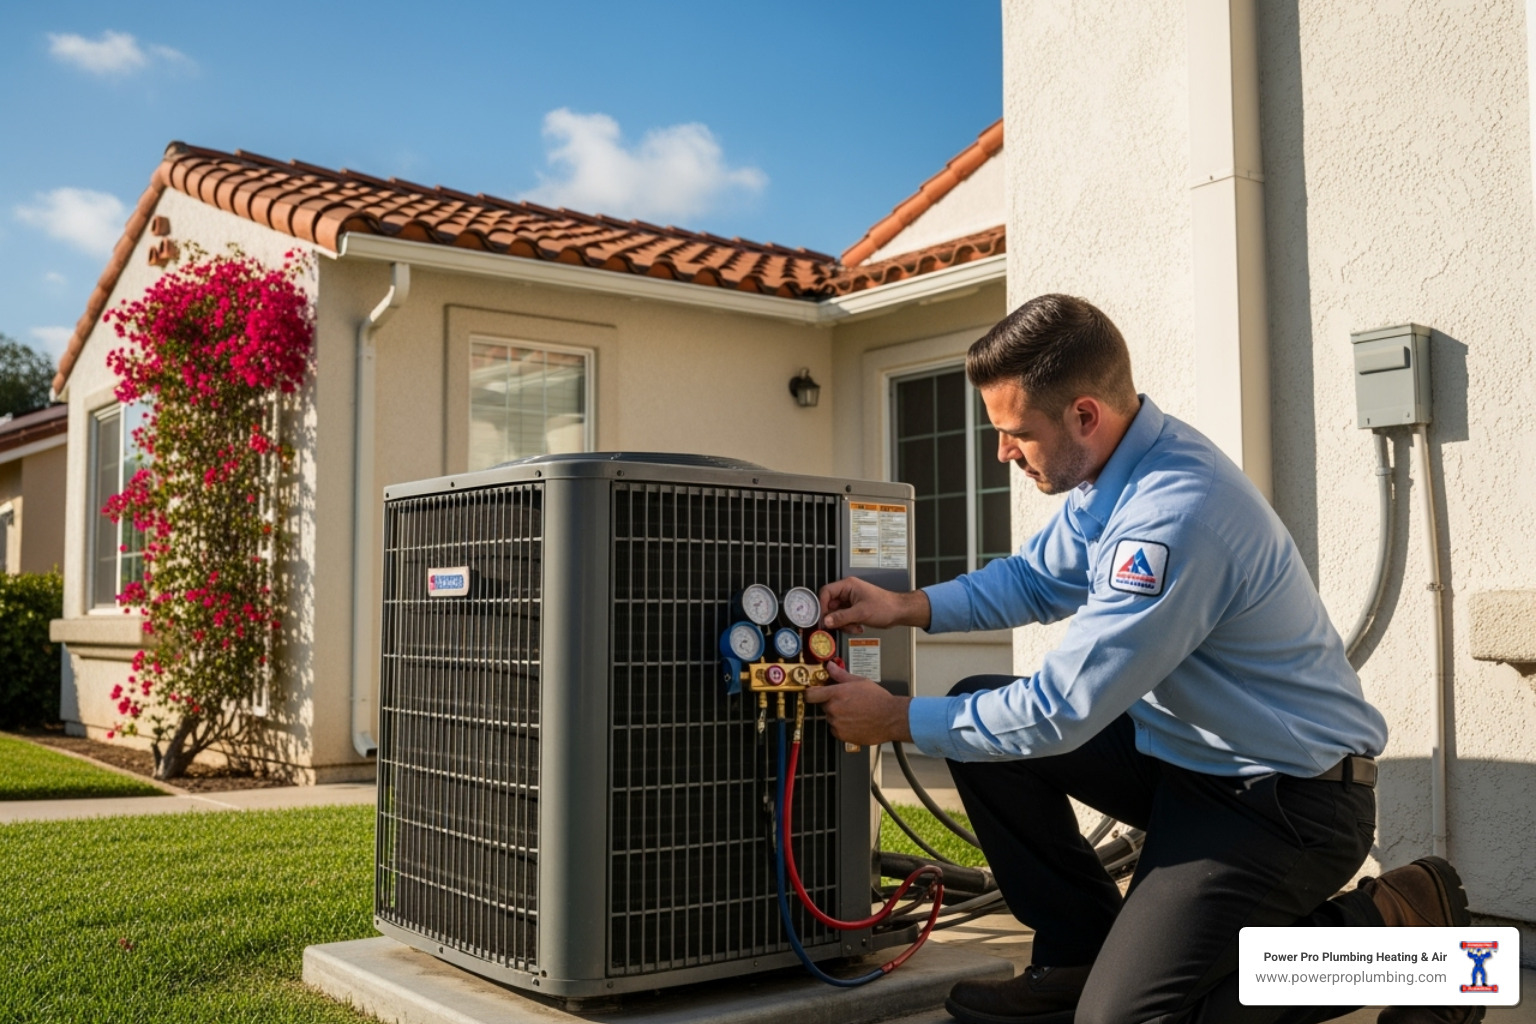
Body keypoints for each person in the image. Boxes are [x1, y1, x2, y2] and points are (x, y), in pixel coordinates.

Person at [805, 294, 1477, 1024]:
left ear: (1084, 416)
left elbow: (1059, 711)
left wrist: (900, 718)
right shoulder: (1117, 473)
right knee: (976, 719)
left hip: (1287, 799)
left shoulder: (1173, 515)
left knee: (1127, 1020)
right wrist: (906, 606)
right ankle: (1078, 956)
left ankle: (1401, 935)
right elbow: (1034, 579)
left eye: (1015, 434)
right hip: (1190, 765)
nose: (1002, 452)